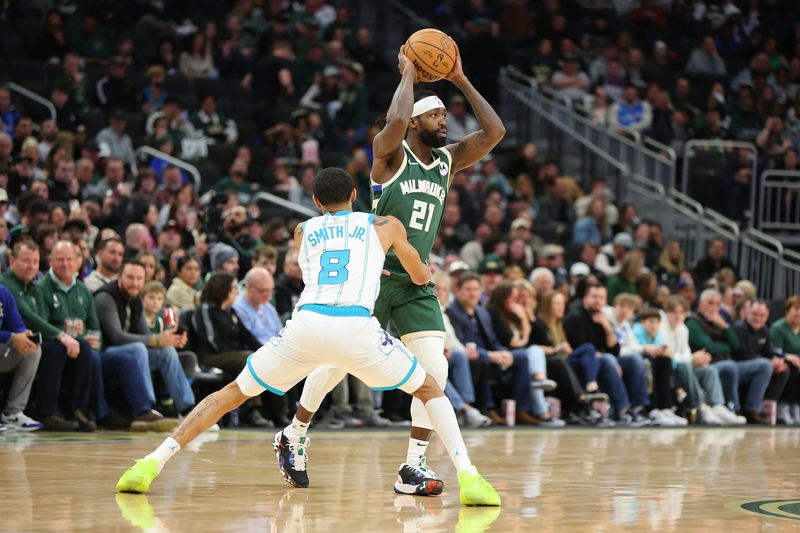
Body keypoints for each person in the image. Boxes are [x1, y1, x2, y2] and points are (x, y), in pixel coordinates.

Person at [115, 167, 500, 507]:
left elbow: (321, 268)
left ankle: (150, 463)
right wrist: (393, 267)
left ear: (315, 201)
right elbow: (419, 277)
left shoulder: (303, 230)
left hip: (306, 325)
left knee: (229, 394)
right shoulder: (384, 226)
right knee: (431, 389)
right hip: (355, 328)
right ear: (355, 195)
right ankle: (468, 476)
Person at [297, 46, 505, 496]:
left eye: (446, 117)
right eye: (436, 116)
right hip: (372, 278)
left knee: (436, 371)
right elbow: (392, 124)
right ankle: (295, 433)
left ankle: (413, 466)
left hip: (416, 282)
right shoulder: (389, 158)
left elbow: (494, 131)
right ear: (414, 120)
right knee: (335, 365)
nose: (445, 122)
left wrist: (461, 80)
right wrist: (410, 74)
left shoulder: (448, 161)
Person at [0, 241, 92, 431]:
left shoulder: (23, 289)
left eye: (35, 262)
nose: (31, 266)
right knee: (54, 349)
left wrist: (22, 334)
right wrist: (13, 336)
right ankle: (46, 411)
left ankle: (16, 413)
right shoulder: (8, 284)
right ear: (11, 260)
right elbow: (28, 316)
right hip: (7, 343)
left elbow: (22, 322)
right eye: (26, 261)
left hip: (10, 346)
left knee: (39, 349)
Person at [94, 260, 195, 424]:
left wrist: (168, 340)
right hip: (104, 353)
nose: (135, 283)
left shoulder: (135, 300)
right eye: (130, 278)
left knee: (167, 352)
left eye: (139, 279)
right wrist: (155, 339)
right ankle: (147, 407)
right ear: (119, 277)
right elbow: (116, 337)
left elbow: (145, 334)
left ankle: (187, 409)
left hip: (131, 354)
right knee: (139, 348)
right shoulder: (105, 297)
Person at [563, 282, 650, 426]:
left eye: (601, 298)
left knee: (634, 359)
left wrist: (608, 328)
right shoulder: (575, 316)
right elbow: (583, 348)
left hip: (601, 359)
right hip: (579, 360)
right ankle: (623, 409)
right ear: (585, 298)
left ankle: (639, 407)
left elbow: (615, 350)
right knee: (608, 360)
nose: (598, 301)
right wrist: (609, 357)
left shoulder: (601, 318)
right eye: (594, 297)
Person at [192, 273, 271, 428]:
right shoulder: (205, 309)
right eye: (234, 287)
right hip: (209, 357)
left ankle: (279, 413)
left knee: (261, 358)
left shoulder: (230, 311)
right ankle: (251, 411)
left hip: (231, 355)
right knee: (247, 359)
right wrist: (238, 352)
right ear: (223, 289)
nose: (237, 291)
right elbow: (211, 341)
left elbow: (246, 335)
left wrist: (265, 352)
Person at [686, 289, 772, 423]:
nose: (714, 307)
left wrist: (724, 326)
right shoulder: (693, 322)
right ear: (700, 303)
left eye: (717, 304)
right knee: (729, 366)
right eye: (710, 303)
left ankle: (751, 410)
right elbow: (710, 347)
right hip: (707, 366)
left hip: (726, 362)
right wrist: (724, 344)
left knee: (765, 365)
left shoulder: (719, 322)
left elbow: (736, 344)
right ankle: (733, 409)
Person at [659, 296, 744, 425]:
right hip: (668, 370)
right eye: (674, 312)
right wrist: (691, 359)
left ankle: (718, 406)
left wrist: (692, 360)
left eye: (681, 312)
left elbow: (685, 353)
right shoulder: (661, 327)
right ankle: (700, 406)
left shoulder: (682, 329)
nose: (678, 316)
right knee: (684, 366)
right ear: (666, 312)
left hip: (683, 367)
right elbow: (668, 355)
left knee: (709, 370)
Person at [0, 284, 43, 431]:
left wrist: (24, 334)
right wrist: (11, 337)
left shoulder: (3, 292)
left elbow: (16, 323)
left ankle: (13, 413)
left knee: (31, 349)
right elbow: (11, 335)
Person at [770, 296, 800, 424]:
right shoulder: (778, 328)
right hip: (781, 361)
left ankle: (796, 407)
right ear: (788, 310)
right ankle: (784, 405)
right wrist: (788, 356)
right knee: (791, 366)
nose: (799, 313)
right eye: (796, 309)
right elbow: (774, 350)